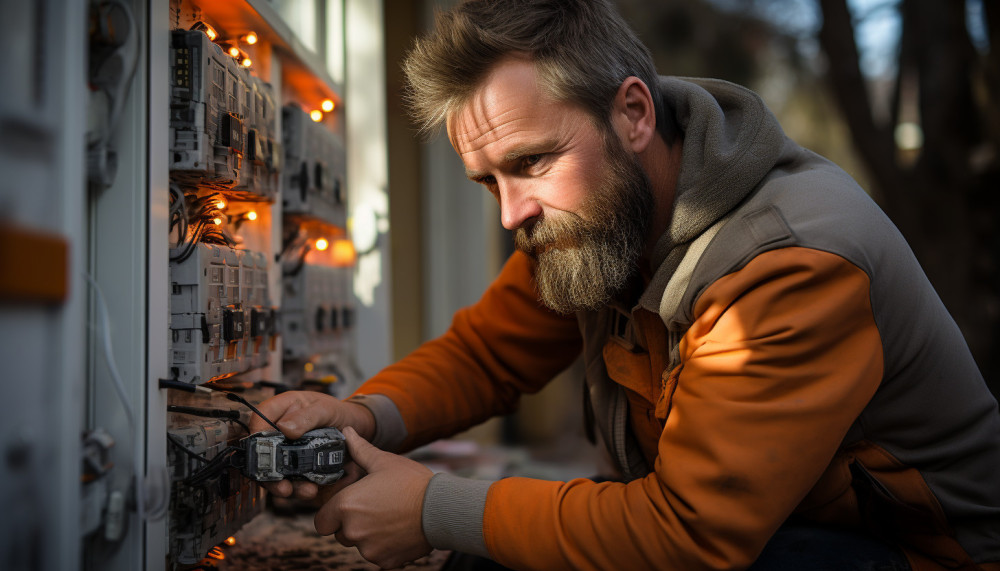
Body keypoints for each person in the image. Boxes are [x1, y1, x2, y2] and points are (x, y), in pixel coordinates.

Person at [250, 1, 1000, 569]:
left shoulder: (789, 262)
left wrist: (434, 507)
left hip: (918, 554)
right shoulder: (599, 219)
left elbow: (694, 533)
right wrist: (360, 416)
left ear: (633, 113)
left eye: (533, 161)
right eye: (488, 182)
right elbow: (488, 355)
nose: (513, 212)